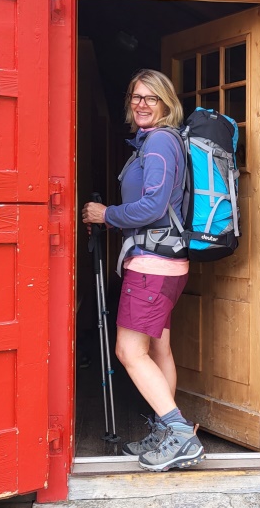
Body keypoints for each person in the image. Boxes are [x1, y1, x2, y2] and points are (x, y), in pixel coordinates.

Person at [81, 69, 203, 472]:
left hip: (152, 266)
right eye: (136, 97)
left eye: (151, 97)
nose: (142, 104)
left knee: (129, 351)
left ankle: (180, 435)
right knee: (158, 349)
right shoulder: (155, 142)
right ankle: (166, 432)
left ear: (167, 103)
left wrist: (106, 214)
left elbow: (152, 207)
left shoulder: (160, 142)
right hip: (166, 263)